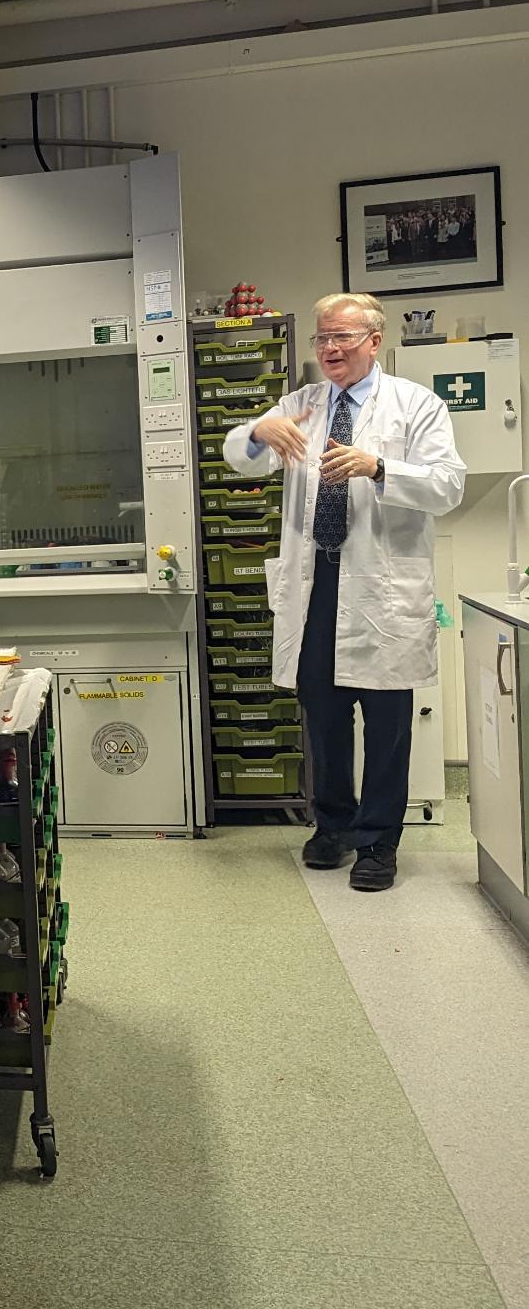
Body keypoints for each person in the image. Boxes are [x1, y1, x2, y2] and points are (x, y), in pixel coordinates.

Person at [223, 291, 464, 892]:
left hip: (383, 585)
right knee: (323, 718)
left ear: (373, 340)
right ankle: (330, 826)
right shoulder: (301, 405)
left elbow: (448, 485)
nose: (330, 348)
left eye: (343, 338)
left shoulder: (415, 406)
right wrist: (257, 427)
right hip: (316, 582)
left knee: (387, 726)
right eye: (322, 338)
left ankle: (379, 843)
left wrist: (379, 467)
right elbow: (242, 460)